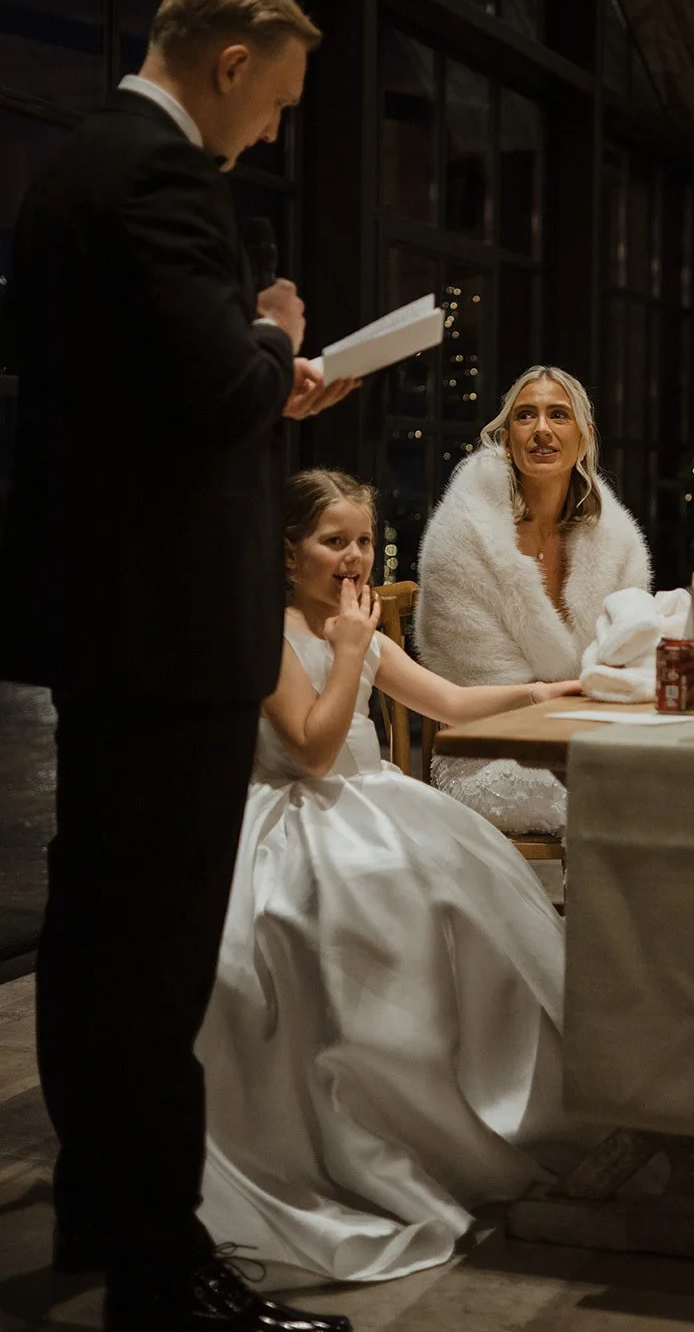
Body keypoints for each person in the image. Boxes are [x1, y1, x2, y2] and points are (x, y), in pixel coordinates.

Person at [0, 0, 356, 1332]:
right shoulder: (160, 180)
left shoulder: (68, 171)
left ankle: (101, 1209)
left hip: (106, 624)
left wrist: (246, 356)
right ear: (229, 61)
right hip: (167, 632)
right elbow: (218, 394)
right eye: (276, 98)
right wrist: (274, 337)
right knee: (150, 963)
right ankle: (164, 1273)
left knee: (94, 938)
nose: (271, 128)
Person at [195, 469, 583, 1281]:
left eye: (363, 540)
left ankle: (472, 1106)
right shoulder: (266, 632)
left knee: (470, 903)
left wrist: (543, 688)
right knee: (346, 919)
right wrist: (343, 651)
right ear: (288, 551)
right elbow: (311, 746)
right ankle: (362, 1124)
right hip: (292, 816)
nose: (353, 557)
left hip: (375, 803)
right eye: (332, 540)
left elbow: (445, 700)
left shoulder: (359, 628)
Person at [415, 365, 650, 834]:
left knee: (653, 781)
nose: (542, 430)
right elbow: (471, 677)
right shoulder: (463, 539)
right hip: (482, 753)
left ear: (583, 437)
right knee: (618, 793)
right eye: (526, 416)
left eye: (558, 415)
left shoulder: (615, 540)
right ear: (506, 437)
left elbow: (632, 656)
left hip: (588, 738)